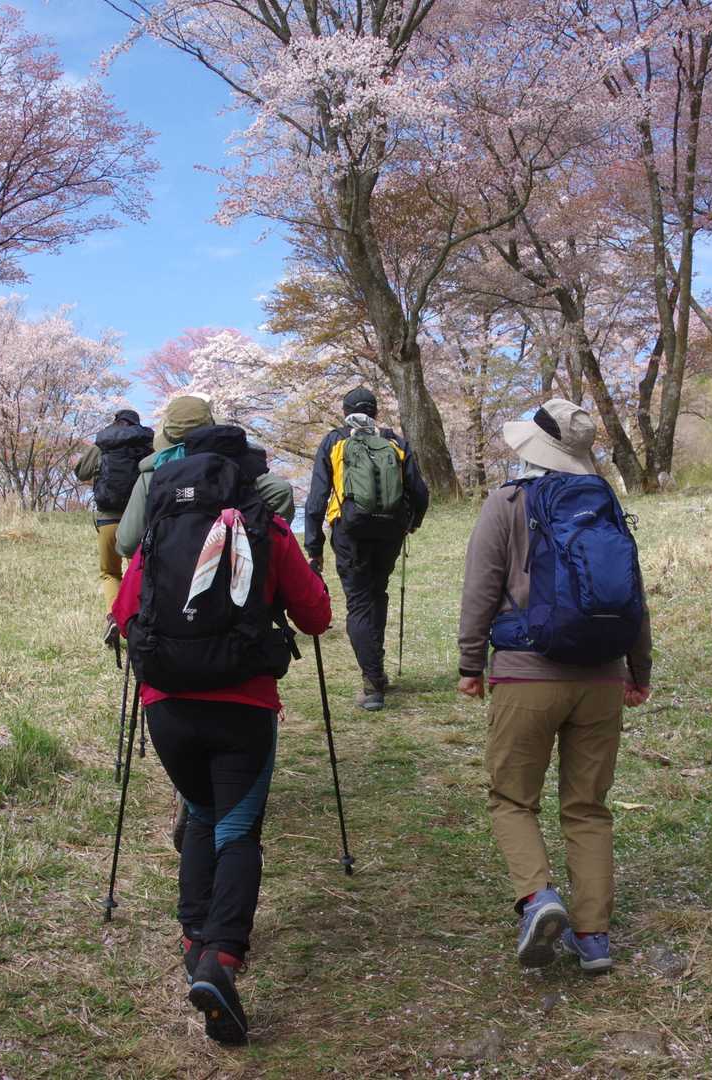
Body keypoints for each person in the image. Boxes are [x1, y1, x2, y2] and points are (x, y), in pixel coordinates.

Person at [112, 422, 331, 1046]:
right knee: (236, 830)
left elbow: (124, 614)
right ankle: (221, 958)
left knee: (203, 815)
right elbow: (316, 616)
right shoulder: (266, 526)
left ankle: (193, 937)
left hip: (167, 705)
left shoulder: (160, 528)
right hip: (243, 704)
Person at [456, 398, 653, 974]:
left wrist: (471, 664)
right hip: (602, 677)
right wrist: (638, 671)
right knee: (588, 807)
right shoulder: (606, 505)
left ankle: (538, 896)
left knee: (512, 798)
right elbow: (634, 596)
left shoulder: (506, 503)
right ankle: (593, 938)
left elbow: (480, 588)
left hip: (527, 675)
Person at [302, 386, 429, 711]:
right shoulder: (394, 441)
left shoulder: (334, 441)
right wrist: (412, 523)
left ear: (345, 412)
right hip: (390, 530)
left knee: (358, 603)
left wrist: (314, 547)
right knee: (377, 593)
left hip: (350, 532)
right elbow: (420, 491)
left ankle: (372, 683)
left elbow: (316, 500)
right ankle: (377, 669)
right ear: (375, 412)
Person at [116, 394, 294, 559]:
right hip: (236, 570)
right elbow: (281, 490)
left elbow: (127, 543)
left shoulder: (152, 476)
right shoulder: (239, 467)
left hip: (171, 573)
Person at [75, 408, 154, 622]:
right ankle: (137, 618)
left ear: (116, 421)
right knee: (137, 571)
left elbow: (81, 472)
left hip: (107, 517)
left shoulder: (103, 444)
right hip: (138, 520)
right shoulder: (147, 443)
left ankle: (113, 618)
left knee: (110, 572)